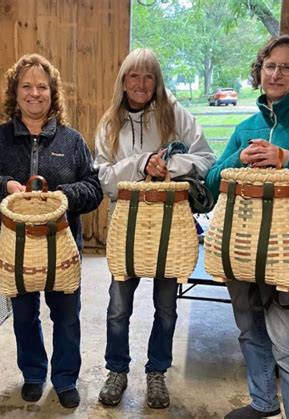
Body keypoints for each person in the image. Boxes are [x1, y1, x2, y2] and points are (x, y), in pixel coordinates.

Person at [0, 53, 103, 409]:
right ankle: (33, 374)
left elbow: (94, 189)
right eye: (26, 86)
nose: (34, 93)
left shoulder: (72, 142)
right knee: (24, 316)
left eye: (42, 86)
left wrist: (63, 196)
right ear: (15, 91)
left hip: (63, 251)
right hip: (14, 250)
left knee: (66, 317)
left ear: (52, 93)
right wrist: (6, 186)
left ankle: (65, 377)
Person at [205, 35, 289, 419]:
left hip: (288, 254)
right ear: (259, 72)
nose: (276, 73)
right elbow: (211, 182)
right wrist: (235, 162)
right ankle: (263, 403)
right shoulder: (246, 127)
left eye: (286, 66)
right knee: (249, 330)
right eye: (269, 66)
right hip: (239, 249)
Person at [94, 48, 215, 409]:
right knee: (118, 307)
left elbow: (207, 159)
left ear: (157, 81)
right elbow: (101, 176)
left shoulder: (175, 114)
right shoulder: (110, 122)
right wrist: (140, 163)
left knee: (166, 307)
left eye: (149, 76)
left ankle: (156, 372)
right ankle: (116, 370)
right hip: (126, 226)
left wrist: (171, 166)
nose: (141, 83)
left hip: (170, 227)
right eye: (134, 76)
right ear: (123, 80)